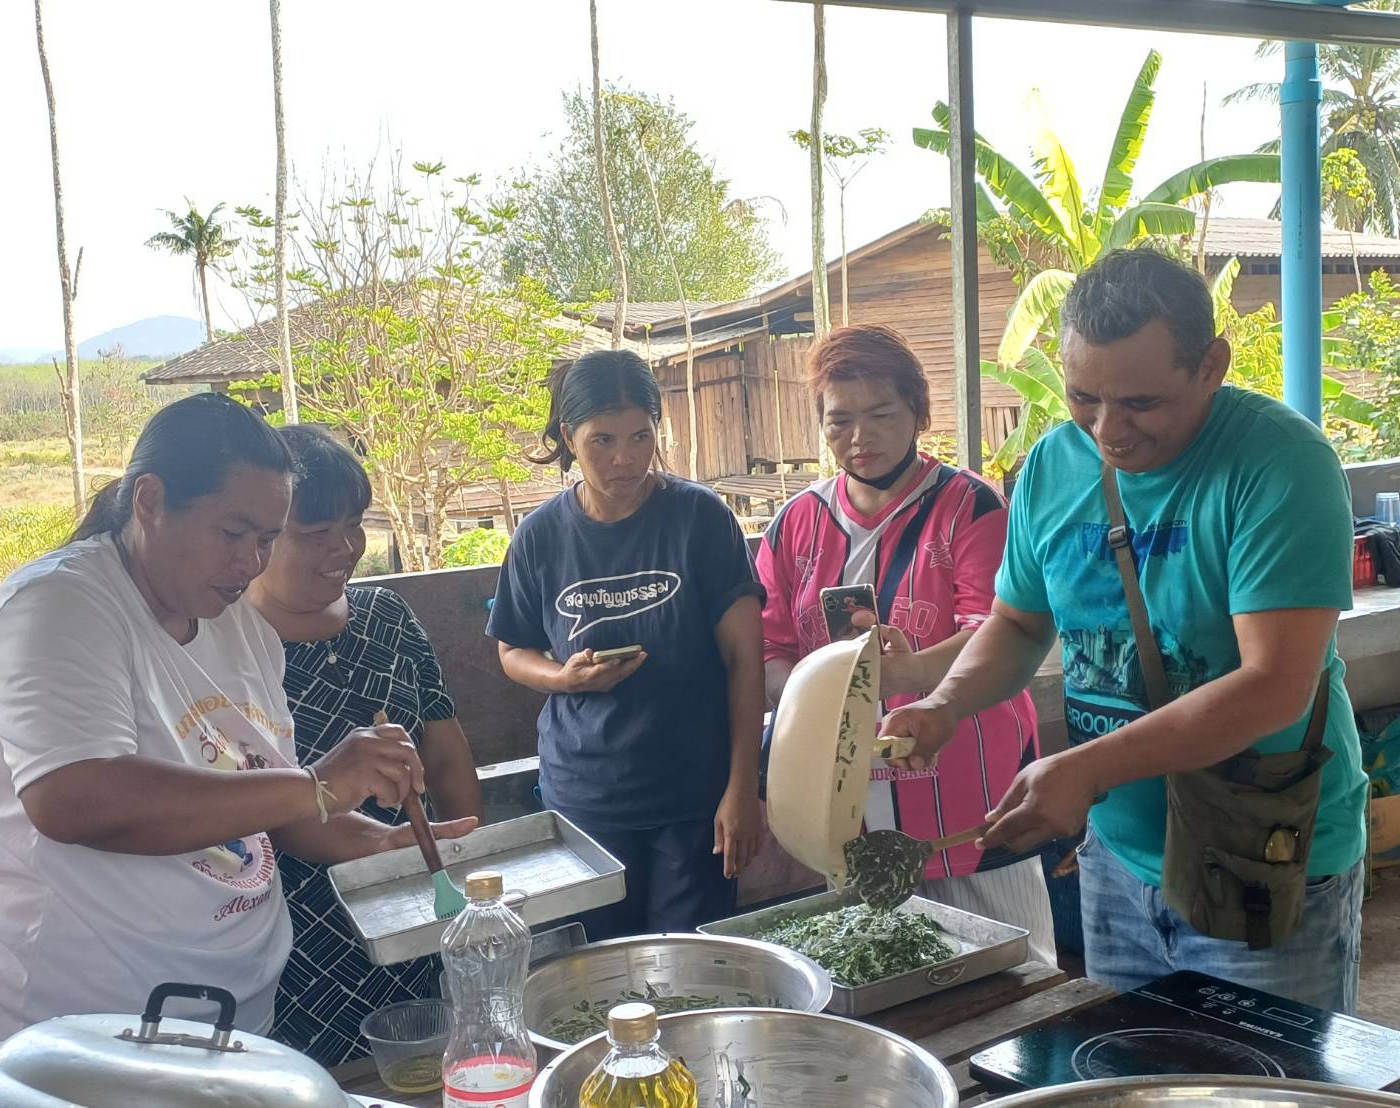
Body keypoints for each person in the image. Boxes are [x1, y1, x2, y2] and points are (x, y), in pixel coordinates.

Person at [880, 249, 1368, 1012]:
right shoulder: (1052, 465)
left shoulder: (1279, 464)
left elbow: (1274, 685)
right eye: (1083, 397)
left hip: (1263, 854)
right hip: (1115, 858)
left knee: (1261, 1076)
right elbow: (1017, 623)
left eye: (1141, 402)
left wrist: (1085, 769)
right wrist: (945, 703)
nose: (1109, 431)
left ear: (1209, 366)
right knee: (1125, 1067)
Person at [0, 393, 475, 1053]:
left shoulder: (242, 632)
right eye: (232, 533)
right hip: (73, 1029)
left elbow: (276, 807)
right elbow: (73, 798)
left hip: (233, 1018)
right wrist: (318, 783)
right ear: (150, 501)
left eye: (267, 539)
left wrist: (378, 845)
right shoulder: (60, 604)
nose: (250, 562)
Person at [756, 324, 1054, 967]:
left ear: (919, 413)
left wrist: (910, 671)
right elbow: (771, 648)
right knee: (877, 967)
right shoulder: (795, 524)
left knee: (1014, 965)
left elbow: (997, 627)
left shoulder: (969, 506)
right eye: (839, 421)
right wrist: (819, 704)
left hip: (970, 792)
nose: (859, 437)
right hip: (846, 802)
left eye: (881, 414)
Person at [486, 349, 765, 939]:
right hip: (585, 798)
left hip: (694, 798)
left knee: (691, 967)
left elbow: (745, 660)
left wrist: (743, 789)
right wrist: (564, 679)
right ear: (569, 437)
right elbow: (512, 650)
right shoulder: (540, 536)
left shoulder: (700, 518)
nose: (625, 458)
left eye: (641, 436)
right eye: (603, 440)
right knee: (602, 972)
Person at [246, 425, 483, 1067]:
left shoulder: (387, 616)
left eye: (353, 525)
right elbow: (257, 809)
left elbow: (445, 747)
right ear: (262, 535)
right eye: (315, 532)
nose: (345, 548)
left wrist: (462, 861)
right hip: (298, 932)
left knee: (437, 1065)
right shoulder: (230, 645)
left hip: (420, 895)